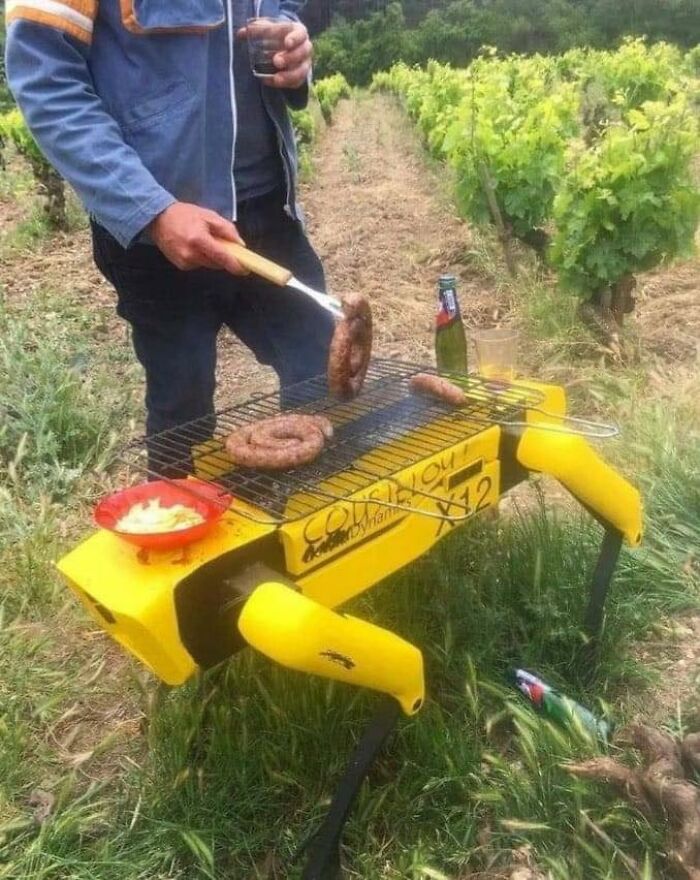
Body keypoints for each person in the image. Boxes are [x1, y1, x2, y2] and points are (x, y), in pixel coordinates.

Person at [5, 0, 335, 473]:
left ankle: (323, 528)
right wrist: (152, 210)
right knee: (183, 408)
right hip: (158, 230)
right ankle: (182, 534)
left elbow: (282, 10)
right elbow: (45, 79)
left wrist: (294, 44)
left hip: (267, 208)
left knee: (323, 367)